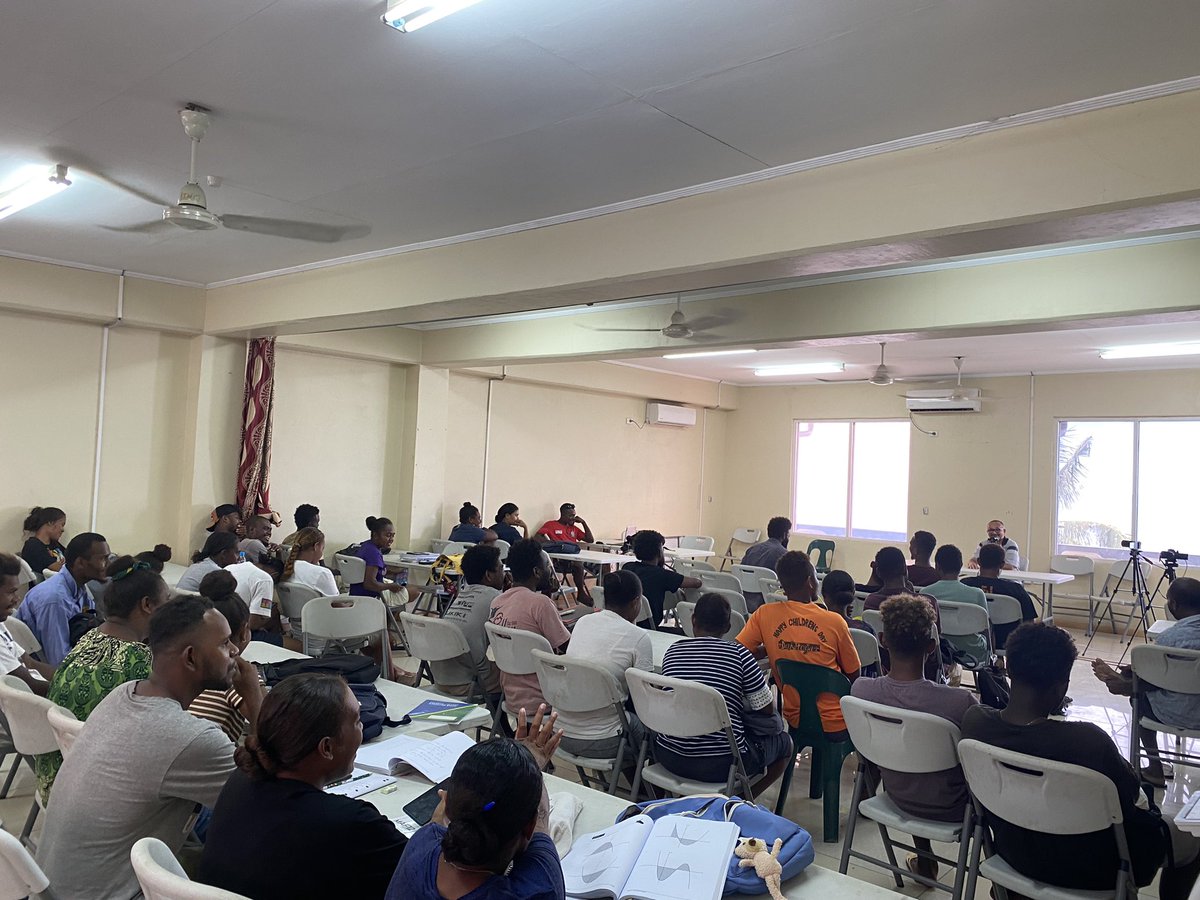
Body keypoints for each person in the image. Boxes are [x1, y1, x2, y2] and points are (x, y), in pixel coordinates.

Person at [36, 594, 263, 899]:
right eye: (224, 644)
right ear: (191, 658)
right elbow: (269, 800)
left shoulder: (122, 695)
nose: (235, 650)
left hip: (54, 887)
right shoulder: (192, 738)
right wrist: (254, 697)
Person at [961, 623, 1171, 893]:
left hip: (1013, 857)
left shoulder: (974, 724)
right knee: (1187, 842)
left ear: (1009, 669)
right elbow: (1129, 797)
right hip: (1094, 871)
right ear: (1063, 686)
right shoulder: (1087, 742)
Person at [198, 672, 408, 898]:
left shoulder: (240, 780)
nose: (363, 729)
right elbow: (427, 873)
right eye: (357, 721)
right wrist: (436, 827)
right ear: (326, 748)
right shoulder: (351, 822)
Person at [851, 594, 977, 880]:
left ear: (883, 640)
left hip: (896, 796)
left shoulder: (861, 692)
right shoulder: (959, 703)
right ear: (931, 647)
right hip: (954, 808)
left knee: (912, 761)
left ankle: (924, 860)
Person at [385, 706, 565, 900]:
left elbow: (436, 822)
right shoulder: (538, 889)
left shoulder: (420, 846)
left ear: (446, 804)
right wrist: (527, 765)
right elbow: (540, 827)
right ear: (528, 827)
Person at [34, 555, 168, 802]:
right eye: (165, 603)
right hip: (89, 792)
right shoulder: (140, 660)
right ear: (147, 605)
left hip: (53, 775)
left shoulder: (90, 638)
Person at [658, 593, 793, 799]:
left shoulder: (673, 651)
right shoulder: (740, 655)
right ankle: (743, 801)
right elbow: (765, 708)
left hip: (670, 756)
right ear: (728, 627)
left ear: (693, 619)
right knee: (785, 743)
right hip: (722, 763)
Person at [737, 550, 860, 737]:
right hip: (836, 721)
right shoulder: (834, 621)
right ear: (810, 582)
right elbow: (853, 674)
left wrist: (770, 649)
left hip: (795, 718)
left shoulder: (764, 614)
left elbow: (740, 652)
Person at [1094, 576, 1200, 788]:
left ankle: (1154, 768)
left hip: (1173, 713)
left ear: (1174, 605)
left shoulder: (1169, 639)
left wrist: (1133, 677)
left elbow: (1159, 679)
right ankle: (1128, 679)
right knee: (1147, 676)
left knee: (1139, 697)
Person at [555, 569, 652, 762]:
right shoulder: (639, 637)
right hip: (606, 740)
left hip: (560, 733)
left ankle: (622, 786)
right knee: (656, 735)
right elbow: (646, 699)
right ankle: (645, 789)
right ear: (636, 602)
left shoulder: (583, 623)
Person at [489, 540, 571, 717]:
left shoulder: (498, 601)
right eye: (547, 566)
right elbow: (568, 648)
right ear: (536, 572)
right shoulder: (541, 604)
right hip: (546, 699)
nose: (550, 570)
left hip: (511, 696)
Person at [16, 531, 109, 666]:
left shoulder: (80, 590)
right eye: (103, 559)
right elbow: (59, 661)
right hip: (48, 674)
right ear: (80, 563)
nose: (108, 565)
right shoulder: (54, 600)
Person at [189, 571, 260, 742]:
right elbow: (270, 734)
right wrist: (254, 692)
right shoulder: (234, 673)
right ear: (244, 631)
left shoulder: (189, 666)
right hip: (213, 761)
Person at [434, 544, 504, 703]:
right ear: (488, 575)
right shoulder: (495, 598)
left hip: (440, 678)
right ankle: (506, 728)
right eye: (501, 569)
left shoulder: (462, 593)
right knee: (520, 677)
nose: (505, 574)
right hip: (468, 683)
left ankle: (502, 728)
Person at [920, 544, 989, 665]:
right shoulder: (977, 594)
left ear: (937, 566)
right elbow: (985, 628)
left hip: (939, 649)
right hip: (973, 652)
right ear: (961, 566)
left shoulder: (926, 593)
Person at [0, 553, 57, 696]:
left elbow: (30, 663)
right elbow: (30, 686)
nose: (17, 599)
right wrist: (75, 692)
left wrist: (71, 678)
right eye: (11, 592)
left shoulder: (1, 623)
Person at [962, 540, 1038, 647]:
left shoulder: (965, 585)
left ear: (978, 562)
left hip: (972, 638)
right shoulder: (1015, 590)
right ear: (1002, 565)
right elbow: (1030, 622)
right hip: (1008, 641)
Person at [624, 529, 701, 627]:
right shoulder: (663, 575)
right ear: (659, 551)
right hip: (650, 627)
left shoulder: (627, 567)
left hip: (629, 623)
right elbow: (696, 583)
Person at [821, 570, 879, 677]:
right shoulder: (865, 630)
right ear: (853, 593)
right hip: (857, 691)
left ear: (824, 595)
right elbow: (874, 669)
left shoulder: (815, 626)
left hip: (823, 685)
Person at [535, 502, 594, 603]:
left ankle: (606, 596)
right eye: (570, 516)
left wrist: (583, 523)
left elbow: (590, 540)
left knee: (603, 566)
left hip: (578, 558)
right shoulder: (551, 524)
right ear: (563, 515)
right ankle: (581, 593)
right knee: (578, 563)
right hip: (561, 562)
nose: (573, 518)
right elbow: (537, 537)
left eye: (574, 515)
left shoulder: (574, 528)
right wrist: (553, 543)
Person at [350, 515, 406, 600]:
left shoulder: (366, 546)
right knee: (414, 591)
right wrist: (390, 586)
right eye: (388, 535)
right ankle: (395, 613)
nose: (391, 539)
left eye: (393, 536)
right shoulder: (374, 553)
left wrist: (394, 571)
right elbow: (369, 584)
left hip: (356, 592)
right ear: (376, 535)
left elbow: (376, 571)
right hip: (371, 595)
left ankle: (393, 613)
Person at [281, 527, 340, 597]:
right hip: (318, 608)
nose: (321, 553)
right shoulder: (322, 573)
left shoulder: (287, 568)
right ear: (316, 546)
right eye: (322, 549)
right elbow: (336, 604)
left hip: (293, 608)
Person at [20, 506, 67, 577]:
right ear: (50, 523)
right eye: (62, 525)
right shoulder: (33, 546)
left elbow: (71, 558)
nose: (63, 529)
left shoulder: (54, 544)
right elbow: (58, 569)